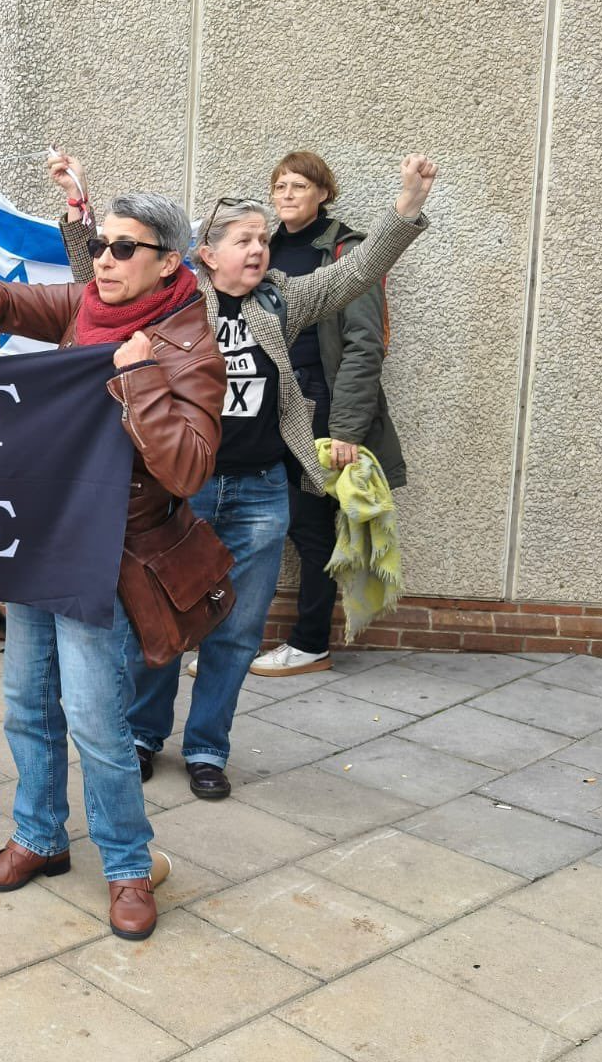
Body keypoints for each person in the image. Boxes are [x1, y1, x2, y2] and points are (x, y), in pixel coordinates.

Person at [0, 157, 225, 942]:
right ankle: (38, 837)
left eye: (124, 247)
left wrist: (140, 383)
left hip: (108, 558)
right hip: (41, 539)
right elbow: (9, 292)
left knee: (98, 721)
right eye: (100, 243)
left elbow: (192, 467)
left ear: (169, 260)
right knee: (25, 703)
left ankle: (129, 867)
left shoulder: (190, 346)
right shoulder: (85, 303)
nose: (103, 258)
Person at [121, 155, 438, 802]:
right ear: (205, 255)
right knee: (164, 616)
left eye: (264, 239)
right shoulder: (175, 305)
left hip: (263, 489)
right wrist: (78, 215)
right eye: (245, 240)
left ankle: (207, 748)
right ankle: (141, 737)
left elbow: (357, 272)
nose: (260, 249)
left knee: (236, 630)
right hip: (186, 490)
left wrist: (404, 207)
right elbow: (94, 283)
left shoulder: (281, 300)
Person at [249, 150, 407, 677]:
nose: (287, 194)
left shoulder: (342, 250)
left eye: (298, 185)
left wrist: (345, 430)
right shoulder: (260, 250)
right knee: (250, 516)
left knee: (309, 523)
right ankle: (235, 642)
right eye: (280, 186)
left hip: (315, 403)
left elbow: (365, 346)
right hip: (262, 399)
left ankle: (311, 641)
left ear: (322, 193)